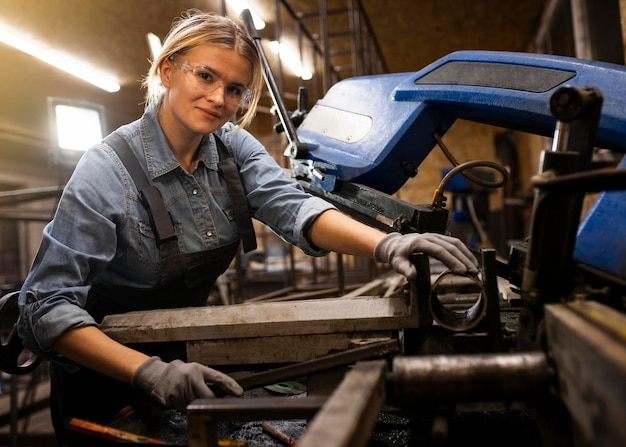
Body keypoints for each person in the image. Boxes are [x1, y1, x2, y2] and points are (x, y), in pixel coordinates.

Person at [17, 9, 478, 446]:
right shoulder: (107, 169)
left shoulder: (232, 147)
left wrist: (388, 244)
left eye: (235, 89)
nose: (220, 99)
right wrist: (148, 371)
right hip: (102, 376)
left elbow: (291, 207)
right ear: (167, 71)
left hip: (181, 353)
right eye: (205, 76)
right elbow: (46, 307)